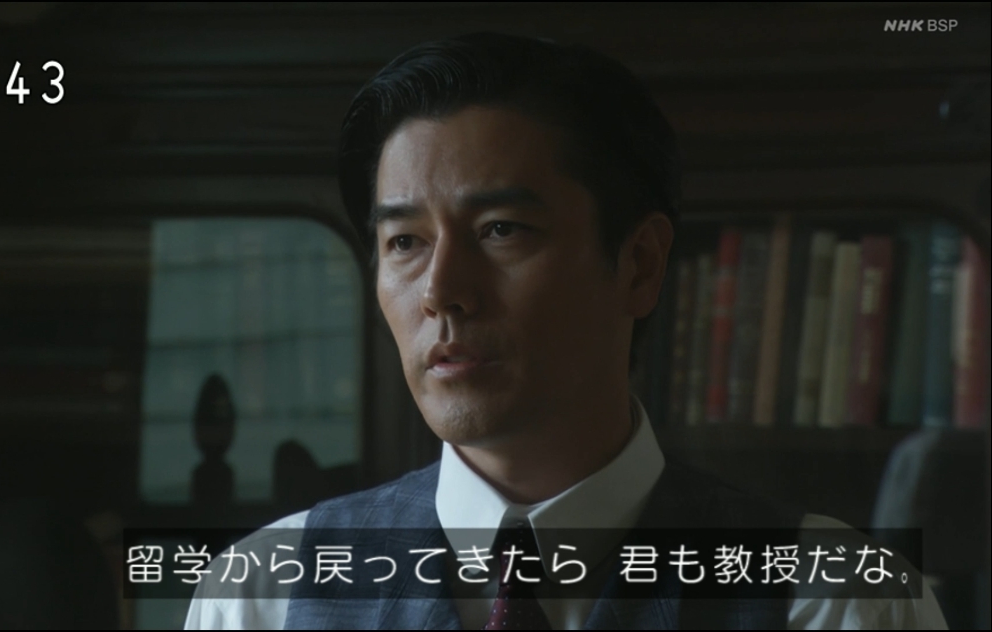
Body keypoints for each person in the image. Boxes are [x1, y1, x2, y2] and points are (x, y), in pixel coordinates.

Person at [185, 32, 947, 630]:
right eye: (405, 242)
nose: (442, 292)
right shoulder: (263, 596)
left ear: (639, 264)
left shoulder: (832, 600)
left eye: (501, 229)